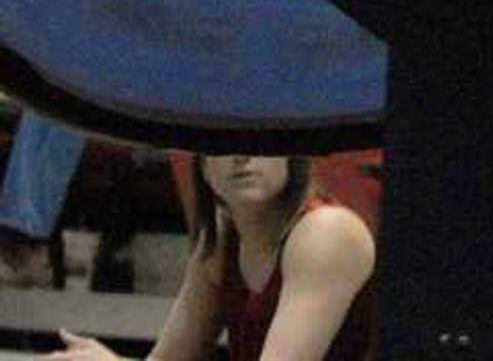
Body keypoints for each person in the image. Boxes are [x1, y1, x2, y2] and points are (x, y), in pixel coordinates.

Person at [30, 152, 374, 358]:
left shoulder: (327, 232)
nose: (243, 154)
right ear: (205, 167)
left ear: (292, 155)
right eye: (226, 143)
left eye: (262, 139)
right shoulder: (224, 237)